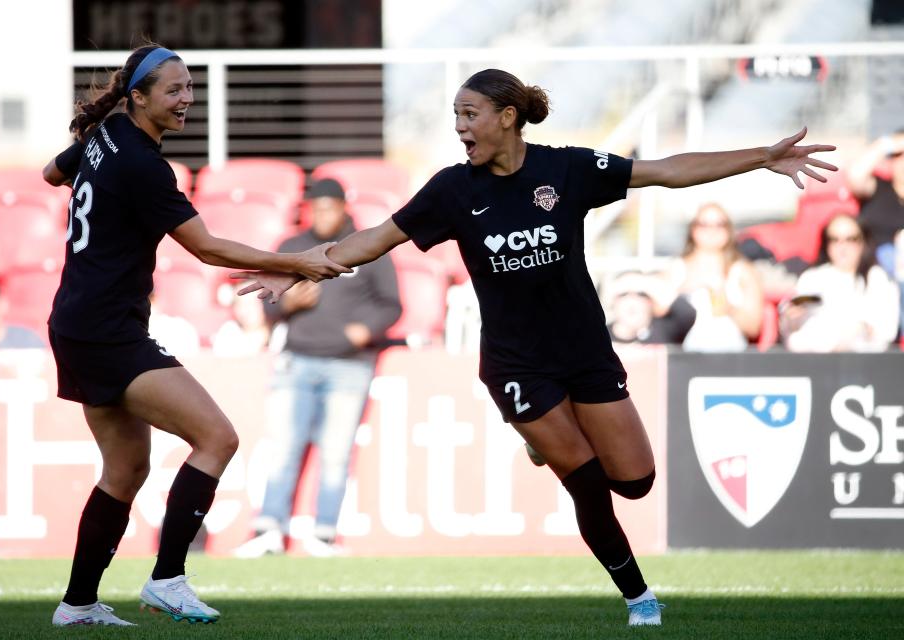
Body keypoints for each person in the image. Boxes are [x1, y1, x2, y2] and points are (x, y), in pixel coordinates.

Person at [232, 68, 837, 627]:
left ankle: (542, 444)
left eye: (470, 114)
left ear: (507, 117)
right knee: (587, 484)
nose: (460, 127)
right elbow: (375, 239)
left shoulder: (567, 170)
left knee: (636, 482)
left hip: (585, 352)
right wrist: (298, 268)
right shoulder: (450, 191)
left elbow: (667, 170)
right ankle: (639, 598)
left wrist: (762, 157)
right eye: (455, 115)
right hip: (516, 365)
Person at [40, 44, 347, 627]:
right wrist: (295, 263)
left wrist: (86, 152)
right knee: (217, 437)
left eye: (189, 87)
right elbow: (205, 248)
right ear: (139, 97)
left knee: (126, 469)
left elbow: (52, 174)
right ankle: (168, 580)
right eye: (175, 90)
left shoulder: (107, 138)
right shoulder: (140, 163)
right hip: (105, 328)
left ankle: (77, 603)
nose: (188, 99)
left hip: (79, 320)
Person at [234, 178, 402, 558]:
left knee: (336, 453)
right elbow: (268, 306)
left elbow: (392, 304)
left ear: (344, 207)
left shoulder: (367, 246)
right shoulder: (292, 248)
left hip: (350, 364)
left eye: (330, 206)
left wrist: (366, 329)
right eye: (316, 207)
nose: (323, 214)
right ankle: (268, 530)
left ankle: (324, 533)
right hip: (297, 359)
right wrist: (289, 306)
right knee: (283, 448)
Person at [780, 213, 899, 352]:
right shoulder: (812, 278)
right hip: (814, 359)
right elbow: (793, 334)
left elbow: (886, 332)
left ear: (863, 242)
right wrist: (790, 317)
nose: (842, 247)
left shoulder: (878, 279)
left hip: (863, 362)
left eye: (851, 239)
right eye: (834, 239)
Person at [668, 202, 765, 352]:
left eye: (720, 224)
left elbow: (753, 327)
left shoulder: (744, 271)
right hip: (684, 353)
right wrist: (685, 287)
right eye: (704, 224)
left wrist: (729, 308)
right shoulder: (676, 267)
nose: (712, 230)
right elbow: (657, 310)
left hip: (731, 351)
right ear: (693, 229)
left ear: (729, 230)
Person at [605, 271, 696, 345]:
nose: (632, 300)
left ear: (651, 300)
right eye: (623, 294)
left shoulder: (664, 331)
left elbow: (687, 313)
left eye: (641, 294)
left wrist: (645, 282)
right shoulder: (598, 336)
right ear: (613, 300)